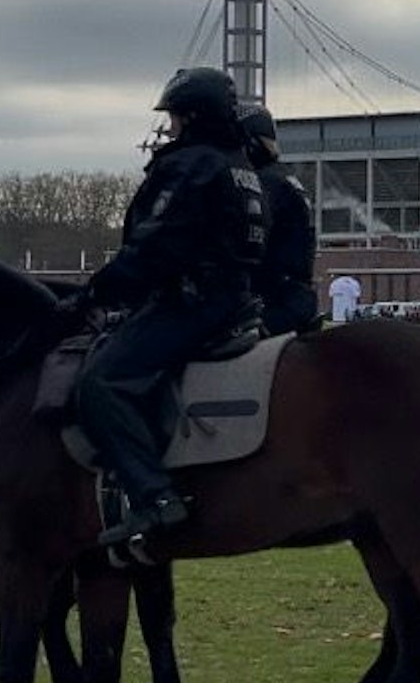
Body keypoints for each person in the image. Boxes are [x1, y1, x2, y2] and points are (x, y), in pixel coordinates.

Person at [74, 67, 269, 546]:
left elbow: (158, 246)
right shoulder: (238, 163)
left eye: (175, 117)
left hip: (192, 300)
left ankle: (155, 496)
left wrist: (97, 291)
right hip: (233, 295)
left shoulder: (192, 165)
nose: (170, 127)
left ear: (192, 115)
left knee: (103, 381)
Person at [236, 102, 319, 336]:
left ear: (248, 144)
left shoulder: (262, 184)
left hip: (272, 302)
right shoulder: (284, 178)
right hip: (295, 296)